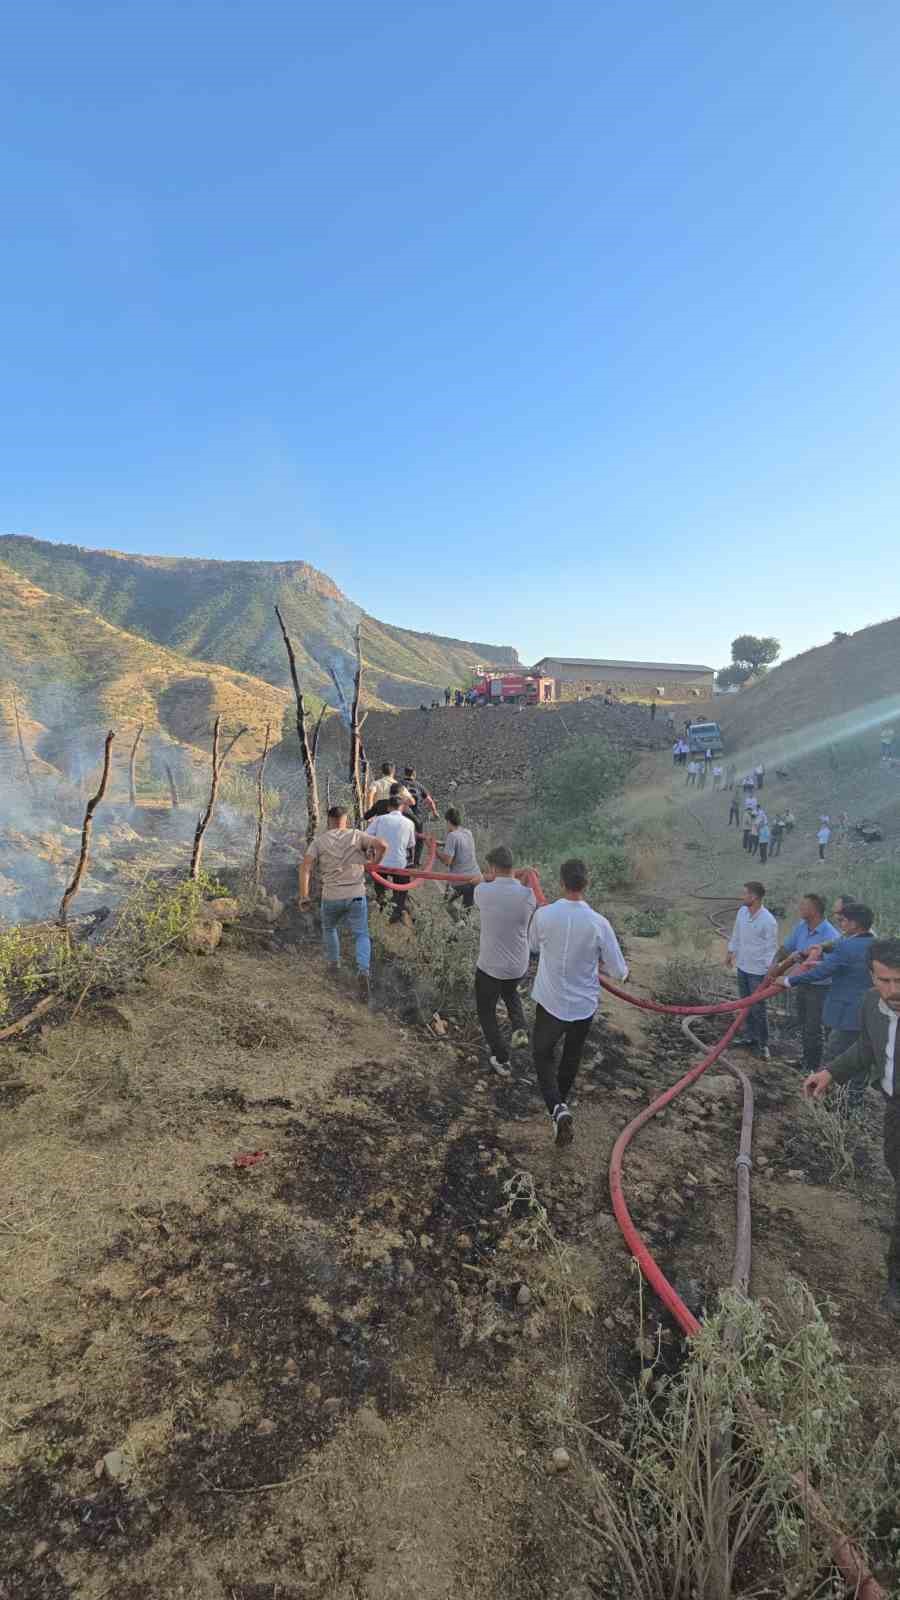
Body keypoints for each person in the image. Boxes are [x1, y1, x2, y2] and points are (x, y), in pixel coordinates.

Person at [803, 939, 900, 1316]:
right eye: (885, 980)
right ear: (871, 975)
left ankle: (896, 1282)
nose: (893, 991)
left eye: (899, 981)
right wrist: (830, 1071)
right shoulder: (869, 1006)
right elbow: (867, 1049)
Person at [529, 858, 628, 1145]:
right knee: (572, 1055)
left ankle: (557, 1109)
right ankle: (560, 1107)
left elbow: (534, 946)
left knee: (541, 1053)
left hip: (550, 1001)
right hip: (583, 1006)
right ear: (587, 884)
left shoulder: (544, 915)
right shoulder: (600, 924)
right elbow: (619, 971)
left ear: (561, 882)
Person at [781, 904, 876, 1094]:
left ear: (854, 924)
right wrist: (823, 961)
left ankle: (821, 1097)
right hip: (869, 1013)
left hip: (847, 1013)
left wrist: (788, 980)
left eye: (843, 921)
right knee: (861, 1056)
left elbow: (821, 973)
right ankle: (853, 1100)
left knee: (833, 1056)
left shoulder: (846, 945)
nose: (840, 925)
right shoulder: (875, 943)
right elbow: (849, 965)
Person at [299, 805, 389, 1001]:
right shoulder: (357, 835)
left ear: (329, 820)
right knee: (361, 935)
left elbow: (305, 867)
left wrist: (304, 895)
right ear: (345, 820)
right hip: (356, 895)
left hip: (331, 896)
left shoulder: (319, 841)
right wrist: (375, 864)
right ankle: (363, 971)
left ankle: (333, 965)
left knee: (329, 928)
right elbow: (382, 844)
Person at [472, 846, 536, 1076]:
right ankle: (520, 1028)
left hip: (490, 966)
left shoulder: (483, 892)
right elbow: (510, 882)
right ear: (512, 866)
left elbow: (481, 885)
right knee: (510, 992)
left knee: (486, 1010)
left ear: (491, 867)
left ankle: (502, 1058)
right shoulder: (528, 896)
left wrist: (480, 878)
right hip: (518, 964)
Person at [766, 893, 841, 1073]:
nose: (800, 908)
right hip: (802, 983)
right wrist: (774, 963)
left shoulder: (830, 935)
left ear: (815, 910)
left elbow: (833, 966)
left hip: (821, 988)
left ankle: (813, 1068)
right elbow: (786, 948)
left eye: (804, 905)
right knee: (804, 1023)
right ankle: (806, 1060)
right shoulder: (802, 927)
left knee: (813, 1028)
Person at [726, 881, 778, 1059]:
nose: (742, 897)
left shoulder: (768, 921)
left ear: (754, 897)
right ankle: (750, 1037)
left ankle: (763, 1044)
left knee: (758, 1008)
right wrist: (730, 951)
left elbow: (771, 948)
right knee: (745, 1004)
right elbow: (736, 933)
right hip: (743, 966)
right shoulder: (742, 912)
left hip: (758, 971)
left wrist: (769, 972)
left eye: (745, 893)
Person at [366, 795, 416, 924]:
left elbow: (366, 835)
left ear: (388, 808)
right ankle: (398, 910)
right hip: (399, 863)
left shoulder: (380, 819)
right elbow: (411, 844)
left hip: (380, 862)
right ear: (402, 808)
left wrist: (371, 851)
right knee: (402, 886)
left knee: (380, 883)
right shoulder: (409, 823)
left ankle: (382, 901)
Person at [437, 807, 480, 913]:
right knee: (466, 912)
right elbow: (460, 846)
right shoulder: (467, 832)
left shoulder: (452, 836)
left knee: (446, 904)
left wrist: (434, 851)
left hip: (460, 881)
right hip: (475, 878)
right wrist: (443, 843)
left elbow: (447, 861)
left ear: (448, 821)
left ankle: (458, 923)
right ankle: (463, 925)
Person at [403, 765, 438, 866]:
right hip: (417, 815)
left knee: (405, 836)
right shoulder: (419, 785)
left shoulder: (400, 784)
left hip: (404, 814)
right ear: (414, 774)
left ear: (404, 773)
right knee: (420, 837)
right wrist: (435, 812)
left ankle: (407, 859)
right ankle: (416, 861)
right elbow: (429, 801)